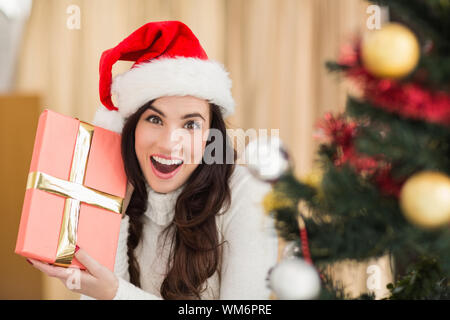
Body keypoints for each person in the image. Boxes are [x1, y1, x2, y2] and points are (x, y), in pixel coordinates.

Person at [28, 21, 278, 300]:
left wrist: (115, 293)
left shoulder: (248, 193)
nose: (170, 142)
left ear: (210, 136)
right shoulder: (116, 187)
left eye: (191, 125)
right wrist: (114, 214)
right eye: (155, 119)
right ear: (130, 128)